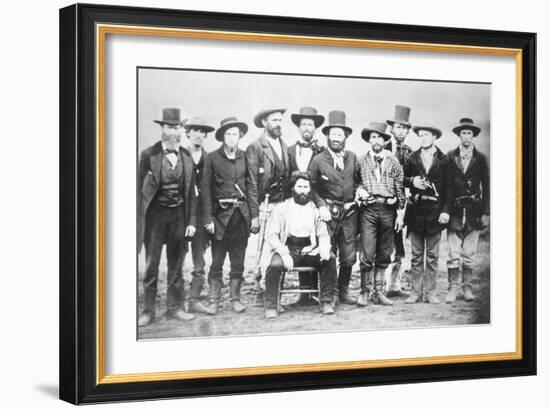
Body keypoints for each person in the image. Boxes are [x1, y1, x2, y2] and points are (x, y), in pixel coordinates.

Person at [137, 107, 198, 326]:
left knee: (177, 265)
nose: (173, 132)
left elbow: (191, 192)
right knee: (152, 265)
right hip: (155, 218)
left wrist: (191, 222)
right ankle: (148, 311)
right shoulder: (148, 155)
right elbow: (137, 192)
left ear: (181, 130)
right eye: (169, 128)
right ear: (162, 129)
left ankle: (174, 308)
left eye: (177, 128)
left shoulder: (186, 156)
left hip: (179, 217)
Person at [261, 171, 337, 319]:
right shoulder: (282, 208)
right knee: (274, 266)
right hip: (288, 248)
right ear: (293, 188)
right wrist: (283, 253)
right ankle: (271, 306)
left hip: (310, 250)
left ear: (310, 189)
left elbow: (323, 234)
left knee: (330, 259)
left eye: (306, 187)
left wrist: (324, 248)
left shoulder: (315, 210)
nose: (303, 190)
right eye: (299, 186)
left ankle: (326, 302)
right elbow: (272, 235)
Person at [201, 117, 257, 314]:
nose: (232, 138)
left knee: (238, 261)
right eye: (228, 134)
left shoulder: (245, 157)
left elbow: (251, 187)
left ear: (240, 136)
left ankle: (235, 298)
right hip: (220, 219)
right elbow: (206, 191)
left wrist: (254, 216)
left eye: (235, 134)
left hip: (240, 218)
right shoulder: (212, 158)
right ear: (223, 137)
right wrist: (208, 219)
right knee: (217, 261)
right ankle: (214, 301)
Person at [309, 110, 358, 306]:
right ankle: (329, 294)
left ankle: (343, 291)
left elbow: (360, 180)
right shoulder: (318, 160)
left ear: (345, 137)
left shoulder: (353, 158)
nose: (336, 138)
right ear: (327, 136)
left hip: (349, 215)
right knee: (328, 255)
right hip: (328, 215)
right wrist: (321, 205)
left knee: (348, 256)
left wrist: (360, 191)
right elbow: (310, 187)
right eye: (333, 134)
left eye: (340, 135)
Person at [355, 122, 405, 306]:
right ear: (369, 140)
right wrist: (360, 191)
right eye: (373, 137)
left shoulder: (393, 161)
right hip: (368, 210)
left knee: (384, 252)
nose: (376, 141)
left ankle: (379, 292)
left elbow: (400, 189)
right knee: (367, 252)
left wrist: (398, 208)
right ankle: (364, 292)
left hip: (388, 211)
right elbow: (355, 182)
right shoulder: (361, 160)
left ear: (385, 140)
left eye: (380, 137)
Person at [403, 125, 451, 304]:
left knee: (432, 256)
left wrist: (446, 211)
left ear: (434, 137)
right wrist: (412, 181)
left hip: (435, 214)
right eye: (420, 135)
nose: (422, 138)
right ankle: (415, 292)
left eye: (426, 135)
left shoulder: (444, 160)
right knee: (416, 256)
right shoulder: (412, 158)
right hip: (416, 212)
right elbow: (401, 180)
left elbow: (449, 189)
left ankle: (430, 293)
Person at [445, 118, 490, 303]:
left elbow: (487, 186)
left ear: (473, 136)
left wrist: (487, 213)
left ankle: (467, 288)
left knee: (469, 255)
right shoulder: (450, 156)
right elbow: (447, 186)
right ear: (458, 135)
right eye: (463, 133)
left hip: (474, 212)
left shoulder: (481, 159)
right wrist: (446, 210)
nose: (466, 136)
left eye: (469, 133)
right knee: (453, 254)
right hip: (455, 211)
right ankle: (452, 288)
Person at [286, 107, 326, 305]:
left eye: (310, 124)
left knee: (315, 244)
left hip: (314, 204)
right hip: (295, 204)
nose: (307, 128)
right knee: (298, 242)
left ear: (315, 128)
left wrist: (320, 205)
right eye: (303, 124)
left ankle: (318, 292)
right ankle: (304, 293)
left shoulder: (322, 152)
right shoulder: (289, 150)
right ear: (298, 127)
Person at [183, 117, 215, 314]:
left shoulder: (207, 159)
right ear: (187, 133)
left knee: (199, 260)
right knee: (176, 259)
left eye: (202, 131)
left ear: (205, 135)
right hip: (180, 214)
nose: (198, 134)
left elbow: (208, 191)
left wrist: (207, 219)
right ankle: (176, 301)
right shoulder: (180, 155)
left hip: (201, 215)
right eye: (194, 130)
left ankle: (194, 299)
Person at [385, 105, 414, 297]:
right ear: (391, 129)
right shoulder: (382, 148)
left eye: (404, 128)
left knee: (400, 244)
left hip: (403, 204)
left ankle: (394, 285)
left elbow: (412, 178)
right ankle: (381, 285)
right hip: (385, 202)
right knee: (385, 243)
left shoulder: (411, 152)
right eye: (398, 127)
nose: (401, 131)